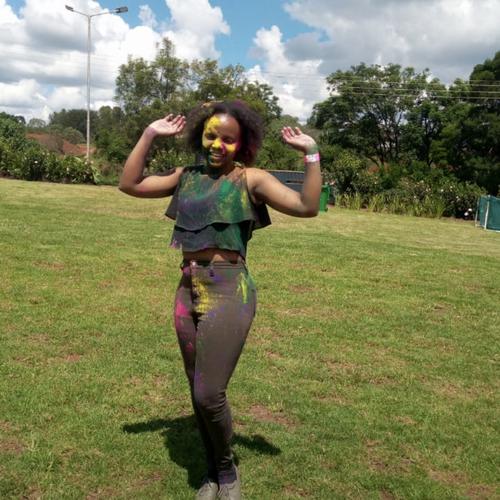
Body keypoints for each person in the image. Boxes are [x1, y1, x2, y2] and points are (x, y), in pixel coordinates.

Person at [119, 100, 321, 500]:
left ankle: (226, 472)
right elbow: (130, 184)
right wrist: (149, 134)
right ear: (201, 136)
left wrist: (311, 153)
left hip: (229, 289)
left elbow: (307, 206)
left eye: (228, 139)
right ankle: (211, 472)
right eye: (211, 136)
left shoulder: (251, 179)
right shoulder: (186, 177)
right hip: (186, 288)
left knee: (209, 393)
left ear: (241, 144)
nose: (217, 145)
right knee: (197, 388)